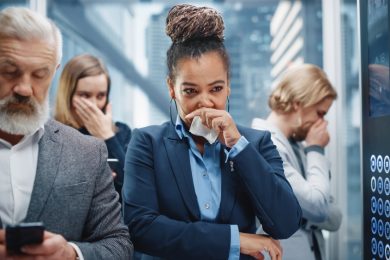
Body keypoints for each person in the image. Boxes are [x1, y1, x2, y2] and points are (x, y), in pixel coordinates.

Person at [123, 4, 302, 260]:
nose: (205, 102)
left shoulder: (256, 143)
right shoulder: (147, 143)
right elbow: (141, 229)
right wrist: (234, 240)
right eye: (190, 91)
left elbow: (285, 223)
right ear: (172, 88)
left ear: (228, 85)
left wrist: (238, 146)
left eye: (216, 89)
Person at [0, 7, 132, 259]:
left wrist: (71, 253)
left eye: (40, 74)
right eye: (9, 71)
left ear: (54, 71)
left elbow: (119, 242)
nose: (25, 88)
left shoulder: (89, 150)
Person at [252, 64, 342, 260]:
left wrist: (300, 214)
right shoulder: (263, 145)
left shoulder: (298, 148)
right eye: (320, 113)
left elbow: (334, 216)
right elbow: (318, 208)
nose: (323, 123)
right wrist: (316, 149)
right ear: (298, 103)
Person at [54, 54, 131, 199]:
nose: (94, 105)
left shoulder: (122, 132)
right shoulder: (51, 134)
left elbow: (135, 189)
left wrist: (107, 136)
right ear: (68, 95)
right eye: (84, 95)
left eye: (100, 96)